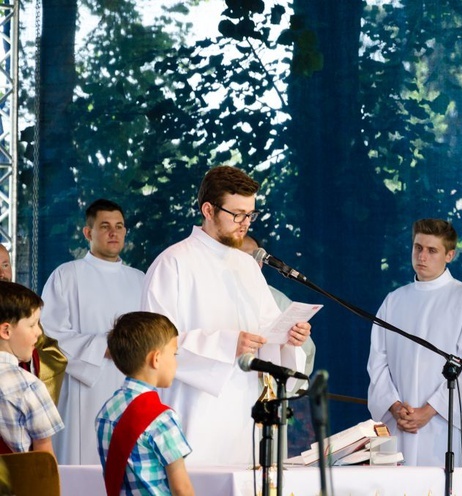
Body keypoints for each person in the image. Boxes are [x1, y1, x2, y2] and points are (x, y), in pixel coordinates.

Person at [141, 165, 311, 465]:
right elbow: (155, 347)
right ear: (208, 210)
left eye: (250, 214)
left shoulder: (246, 267)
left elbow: (266, 334)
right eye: (237, 214)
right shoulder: (172, 263)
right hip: (193, 411)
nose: (245, 223)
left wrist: (288, 339)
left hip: (246, 412)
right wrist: (225, 343)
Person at [367, 218, 462, 467]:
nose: (422, 256)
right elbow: (377, 363)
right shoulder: (394, 300)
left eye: (432, 250)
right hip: (398, 422)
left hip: (443, 424)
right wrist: (394, 406)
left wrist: (428, 412)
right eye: (418, 247)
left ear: (450, 255)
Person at [41, 198, 145, 464]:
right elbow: (50, 335)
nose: (114, 233)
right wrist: (103, 347)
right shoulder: (66, 275)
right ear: (88, 233)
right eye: (105, 226)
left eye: (119, 226)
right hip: (84, 389)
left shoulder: (140, 279)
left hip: (130, 386)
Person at [96, 312, 193, 496]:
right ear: (155, 359)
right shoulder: (162, 418)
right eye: (174, 354)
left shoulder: (106, 412)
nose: (176, 362)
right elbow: (182, 488)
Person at [0, 281, 64, 456]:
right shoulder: (29, 386)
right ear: (6, 331)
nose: (39, 332)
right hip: (17, 481)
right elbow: (44, 458)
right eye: (32, 324)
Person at [241, 234, 316, 378]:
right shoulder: (212, 295)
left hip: (267, 391)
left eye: (258, 257)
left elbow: (306, 353)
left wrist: (296, 339)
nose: (255, 263)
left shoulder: (277, 299)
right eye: (247, 257)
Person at [1, 243, 67, 405]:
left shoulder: (22, 305)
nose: (2, 273)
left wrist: (26, 358)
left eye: (5, 265)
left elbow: (52, 355)